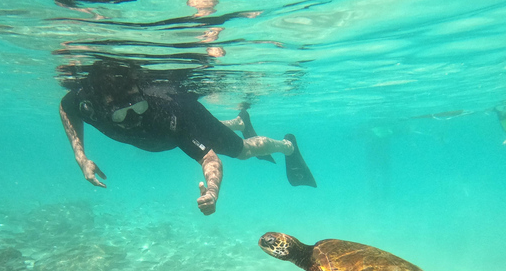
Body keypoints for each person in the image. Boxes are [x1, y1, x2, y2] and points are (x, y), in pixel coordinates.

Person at [59, 62, 316, 215]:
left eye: (137, 107)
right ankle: (238, 122)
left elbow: (209, 157)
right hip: (166, 134)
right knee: (209, 135)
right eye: (120, 114)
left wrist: (213, 192)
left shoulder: (163, 115)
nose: (133, 118)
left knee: (243, 151)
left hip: (186, 117)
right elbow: (65, 108)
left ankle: (288, 146)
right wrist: (81, 158)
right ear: (102, 109)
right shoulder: (87, 101)